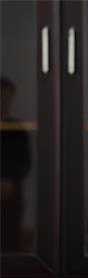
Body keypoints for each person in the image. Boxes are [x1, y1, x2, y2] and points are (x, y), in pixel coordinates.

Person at [1, 76, 31, 253]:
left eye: (6, 98)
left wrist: (8, 182)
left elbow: (24, 162)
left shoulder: (16, 128)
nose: (2, 102)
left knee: (9, 243)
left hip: (11, 195)